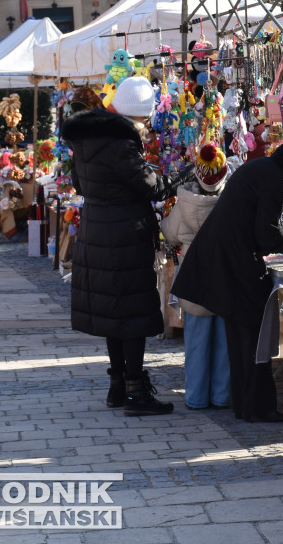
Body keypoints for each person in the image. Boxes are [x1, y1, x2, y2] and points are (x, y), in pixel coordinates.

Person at [62, 77, 192, 416]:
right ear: (139, 114)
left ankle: (117, 386)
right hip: (124, 234)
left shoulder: (86, 137)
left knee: (112, 312)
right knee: (132, 313)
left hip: (95, 230)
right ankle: (136, 391)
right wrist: (182, 174)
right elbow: (152, 188)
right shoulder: (121, 142)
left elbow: (79, 182)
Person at [171, 145, 283, 422]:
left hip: (224, 259)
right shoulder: (273, 178)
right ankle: (256, 407)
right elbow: (265, 236)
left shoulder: (261, 168)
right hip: (232, 262)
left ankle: (247, 405)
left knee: (242, 337)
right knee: (251, 335)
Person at [161, 142, 232, 411]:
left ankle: (196, 397)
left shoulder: (184, 204)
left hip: (194, 279)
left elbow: (169, 232)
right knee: (224, 345)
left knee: (196, 345)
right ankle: (222, 396)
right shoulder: (229, 202)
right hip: (223, 277)